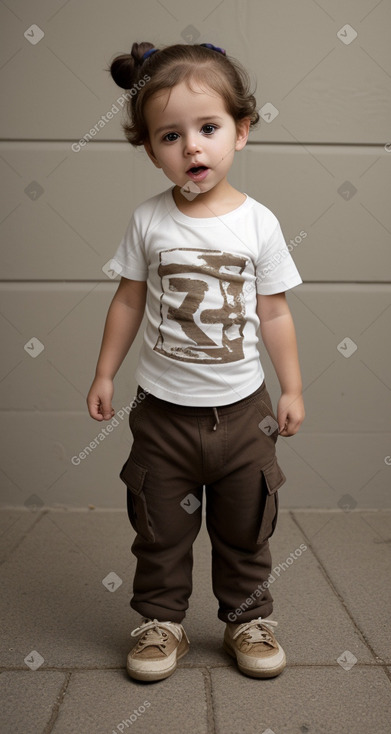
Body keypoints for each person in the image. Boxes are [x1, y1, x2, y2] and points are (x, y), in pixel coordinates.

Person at [86, 41, 305, 683]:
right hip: (162, 416)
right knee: (159, 529)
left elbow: (275, 314)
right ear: (150, 149)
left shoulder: (259, 223)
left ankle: (246, 618)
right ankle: (161, 623)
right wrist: (105, 372)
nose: (192, 149)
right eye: (170, 136)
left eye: (208, 129)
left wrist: (291, 387)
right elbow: (127, 301)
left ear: (240, 130)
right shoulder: (148, 221)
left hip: (244, 414)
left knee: (245, 525)